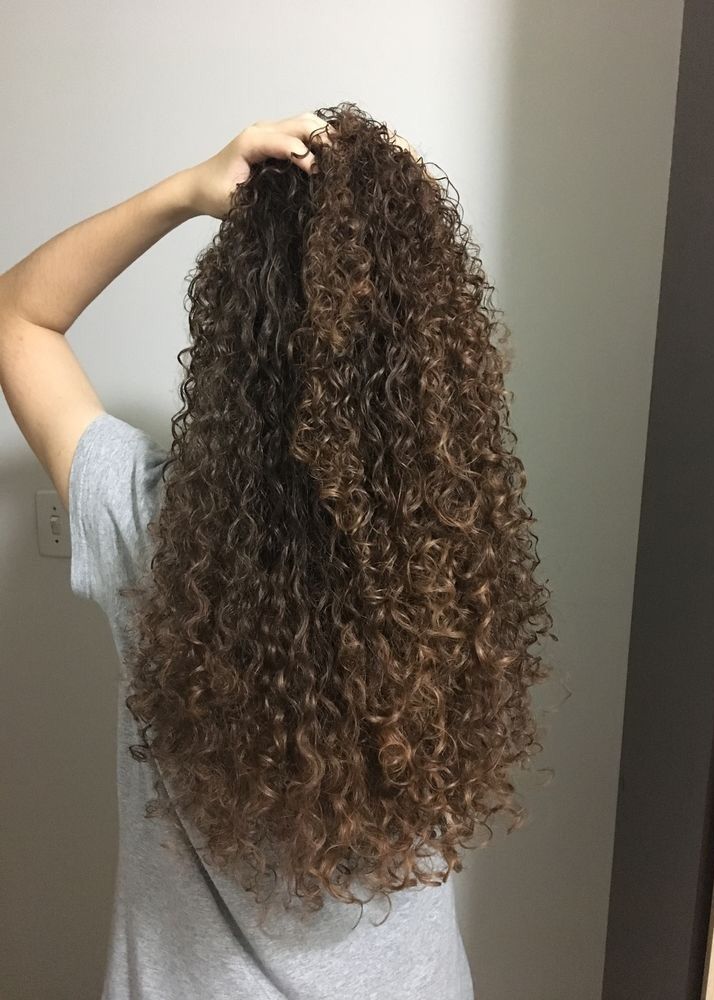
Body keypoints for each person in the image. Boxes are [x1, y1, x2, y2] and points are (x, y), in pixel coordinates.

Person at [0, 102, 553, 999]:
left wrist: (184, 192)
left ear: (238, 330)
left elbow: (17, 317)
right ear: (429, 347)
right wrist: (398, 220)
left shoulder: (150, 533)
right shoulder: (453, 556)